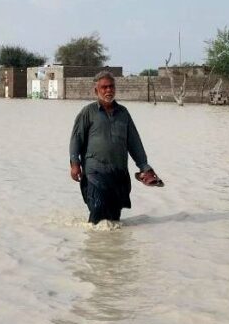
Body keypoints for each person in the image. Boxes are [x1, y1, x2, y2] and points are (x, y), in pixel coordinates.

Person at [69, 71, 163, 224]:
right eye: (104, 87)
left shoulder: (123, 113)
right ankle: (93, 246)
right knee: (98, 211)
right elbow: (76, 139)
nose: (108, 90)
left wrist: (144, 167)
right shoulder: (88, 112)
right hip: (94, 172)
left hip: (118, 173)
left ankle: (113, 247)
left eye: (111, 87)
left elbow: (134, 143)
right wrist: (75, 164)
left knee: (113, 218)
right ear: (96, 91)